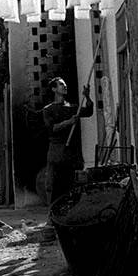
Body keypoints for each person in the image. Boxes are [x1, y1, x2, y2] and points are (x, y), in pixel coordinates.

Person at [43, 77, 93, 208]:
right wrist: (69, 122)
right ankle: (53, 213)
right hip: (57, 151)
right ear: (54, 89)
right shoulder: (48, 110)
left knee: (71, 184)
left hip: (71, 152)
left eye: (65, 84)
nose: (64, 86)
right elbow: (52, 128)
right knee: (53, 185)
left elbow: (89, 112)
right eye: (60, 85)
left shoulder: (72, 107)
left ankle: (70, 212)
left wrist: (87, 97)